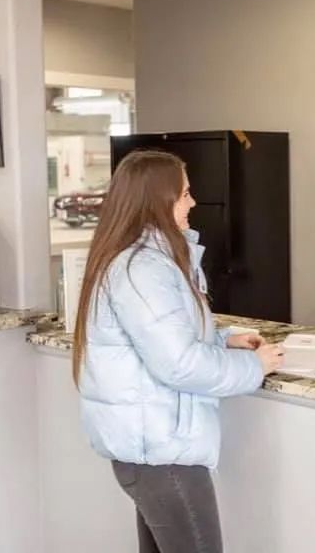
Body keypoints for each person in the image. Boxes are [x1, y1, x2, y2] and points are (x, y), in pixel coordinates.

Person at [71, 150, 284, 553]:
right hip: (162, 455)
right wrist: (253, 366)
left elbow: (164, 339)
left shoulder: (152, 259)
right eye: (185, 194)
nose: (193, 203)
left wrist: (224, 340)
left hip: (154, 451)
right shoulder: (143, 268)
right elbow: (180, 365)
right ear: (157, 200)